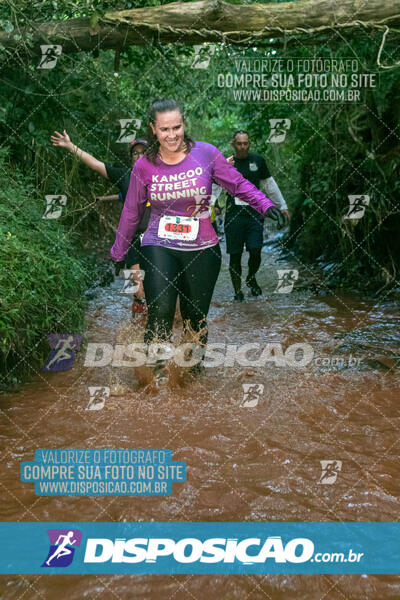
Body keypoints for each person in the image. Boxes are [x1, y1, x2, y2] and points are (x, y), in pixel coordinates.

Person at [111, 99, 284, 384]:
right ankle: (156, 380)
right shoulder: (144, 166)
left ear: (184, 124)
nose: (171, 135)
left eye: (176, 127)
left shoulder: (206, 154)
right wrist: (118, 251)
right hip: (158, 244)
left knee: (194, 316)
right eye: (164, 129)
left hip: (203, 247)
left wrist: (266, 205)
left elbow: (237, 184)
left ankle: (189, 375)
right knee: (161, 309)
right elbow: (132, 211)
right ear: (154, 129)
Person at [50, 130, 149, 310]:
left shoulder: (162, 177)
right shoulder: (124, 176)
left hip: (158, 240)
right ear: (131, 158)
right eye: (135, 153)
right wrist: (70, 145)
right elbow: (95, 164)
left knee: (160, 291)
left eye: (143, 152)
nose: (139, 156)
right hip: (133, 242)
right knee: (138, 292)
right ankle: (135, 332)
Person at [222, 130, 290, 301]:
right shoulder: (226, 163)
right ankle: (238, 291)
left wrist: (282, 206)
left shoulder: (258, 161)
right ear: (233, 144)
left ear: (249, 144)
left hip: (254, 214)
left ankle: (251, 278)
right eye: (239, 144)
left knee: (256, 250)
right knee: (235, 255)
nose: (242, 147)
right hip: (234, 215)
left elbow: (269, 184)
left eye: (245, 143)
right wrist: (204, 208)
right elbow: (215, 187)